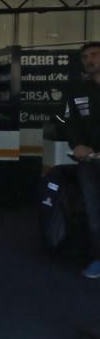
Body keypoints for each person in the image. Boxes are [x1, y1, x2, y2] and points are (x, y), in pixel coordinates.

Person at [66, 42, 100, 279]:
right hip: (90, 162)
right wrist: (76, 144)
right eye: (85, 57)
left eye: (95, 55)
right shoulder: (77, 88)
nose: (89, 60)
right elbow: (67, 120)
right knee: (94, 212)